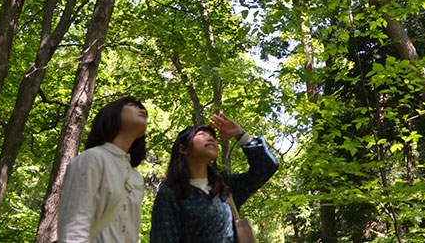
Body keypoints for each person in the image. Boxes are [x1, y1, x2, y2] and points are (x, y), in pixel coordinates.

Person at [150, 110, 279, 243]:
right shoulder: (170, 194)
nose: (211, 138)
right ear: (183, 149)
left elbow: (267, 166)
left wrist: (240, 134)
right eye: (202, 134)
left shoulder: (225, 186)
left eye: (213, 137)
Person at [56, 96, 148, 242]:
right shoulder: (93, 158)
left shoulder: (136, 178)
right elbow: (74, 229)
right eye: (133, 105)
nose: (142, 111)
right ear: (113, 114)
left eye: (143, 110)